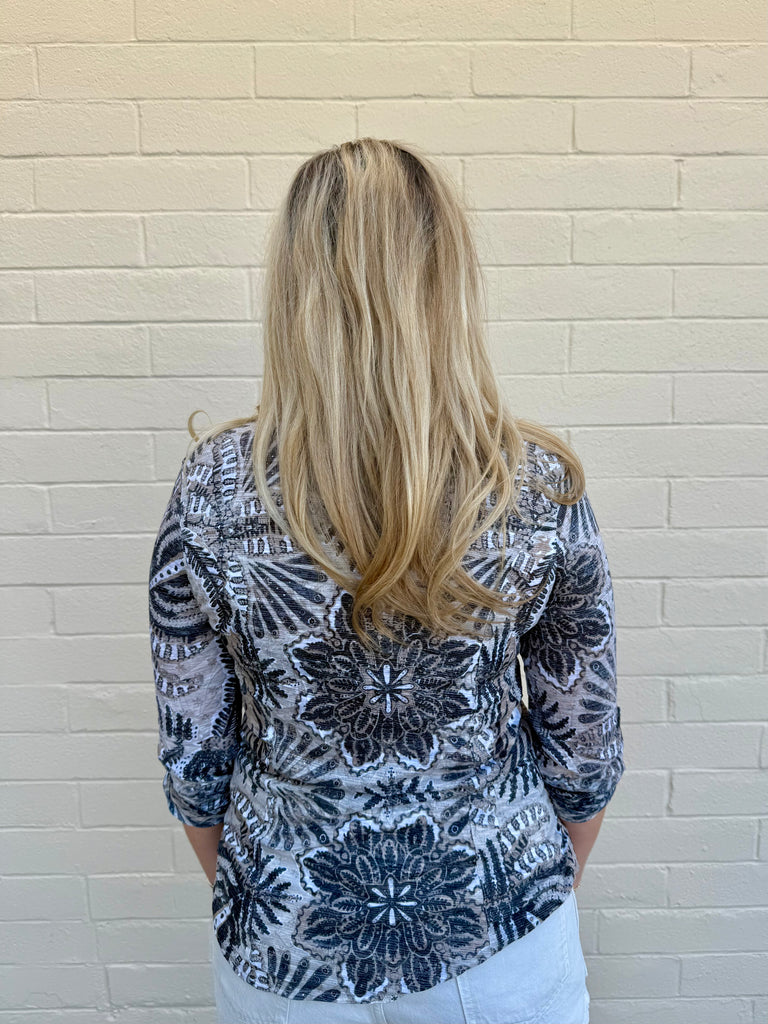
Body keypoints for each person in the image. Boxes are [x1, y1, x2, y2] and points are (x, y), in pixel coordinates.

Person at [148, 138, 625, 1024]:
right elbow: (585, 751)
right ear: (446, 281)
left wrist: (280, 896)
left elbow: (195, 761)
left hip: (285, 949)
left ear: (294, 287)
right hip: (501, 938)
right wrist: (524, 893)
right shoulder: (532, 485)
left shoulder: (211, 488)